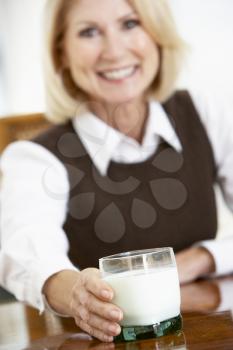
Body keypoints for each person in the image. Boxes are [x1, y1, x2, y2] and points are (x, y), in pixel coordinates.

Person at [0, 0, 233, 343]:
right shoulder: (35, 157)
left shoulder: (205, 113)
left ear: (156, 33)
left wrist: (203, 258)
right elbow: (23, 248)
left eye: (129, 24)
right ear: (61, 52)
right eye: (89, 32)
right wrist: (76, 292)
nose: (114, 51)